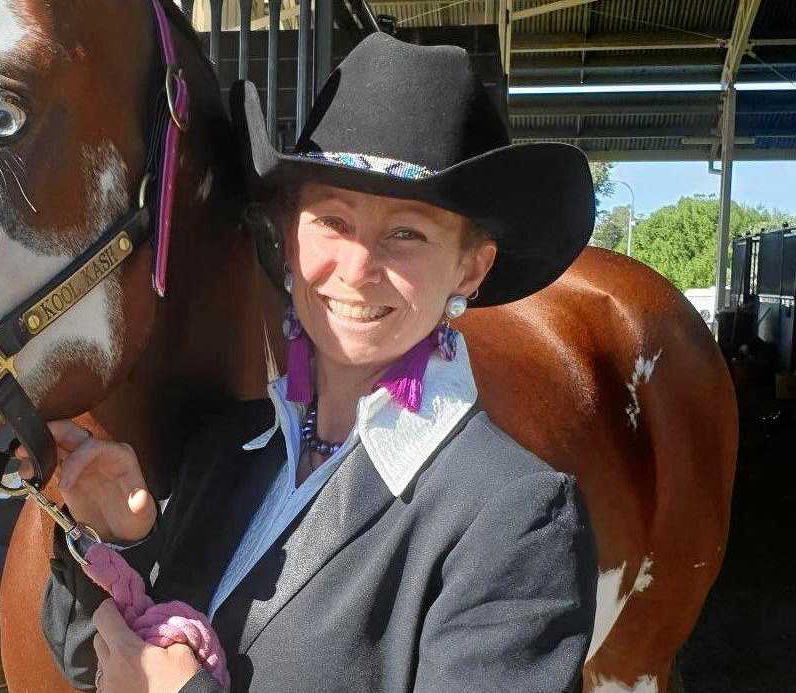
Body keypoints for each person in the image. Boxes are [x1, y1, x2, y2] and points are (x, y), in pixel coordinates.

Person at [32, 33, 598, 692]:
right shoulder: (225, 446)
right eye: (333, 220)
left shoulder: (515, 517)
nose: (358, 269)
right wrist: (120, 535)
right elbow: (86, 660)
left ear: (470, 267)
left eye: (406, 233)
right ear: (290, 238)